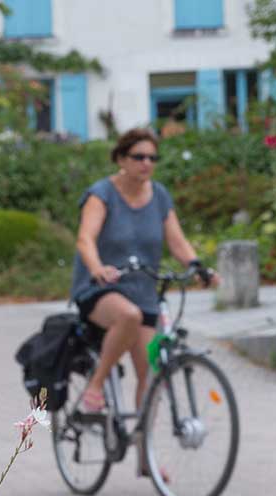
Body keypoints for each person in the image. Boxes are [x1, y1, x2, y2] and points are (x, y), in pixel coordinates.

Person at [72, 128, 215, 419]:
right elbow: (85, 239)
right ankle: (96, 386)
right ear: (121, 159)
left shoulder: (160, 196)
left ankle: (144, 461)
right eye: (139, 157)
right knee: (128, 316)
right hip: (101, 289)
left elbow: (176, 241)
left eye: (153, 157)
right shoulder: (102, 195)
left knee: (150, 376)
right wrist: (97, 268)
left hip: (144, 293)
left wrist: (197, 266)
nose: (147, 163)